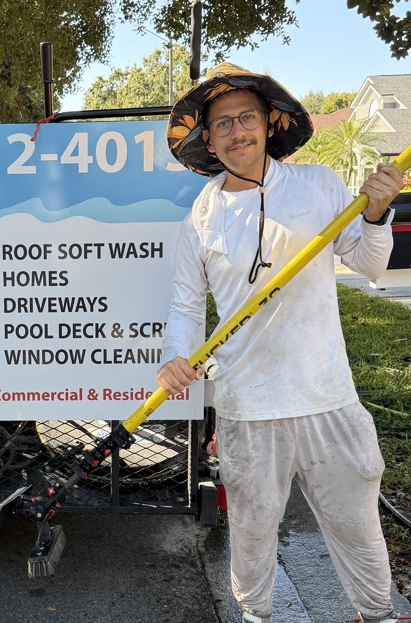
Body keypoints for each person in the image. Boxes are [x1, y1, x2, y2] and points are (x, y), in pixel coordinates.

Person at [159, 62, 404, 623]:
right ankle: (255, 616)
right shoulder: (201, 215)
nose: (237, 132)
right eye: (222, 124)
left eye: (247, 117)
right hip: (248, 406)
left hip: (328, 397)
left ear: (270, 123)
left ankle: (378, 615)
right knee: (251, 529)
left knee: (357, 525)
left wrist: (375, 215)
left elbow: (370, 266)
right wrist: (175, 356)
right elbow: (186, 305)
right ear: (207, 139)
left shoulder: (320, 185)